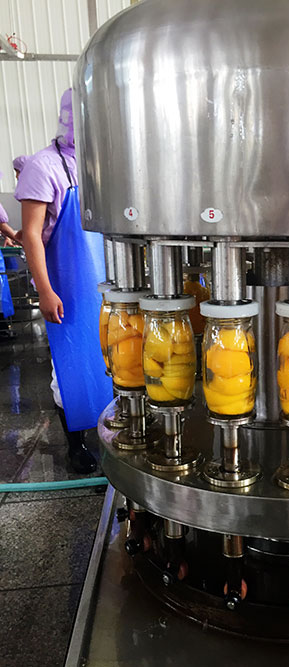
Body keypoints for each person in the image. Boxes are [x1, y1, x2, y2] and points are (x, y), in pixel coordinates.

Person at [15, 89, 98, 474]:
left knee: (111, 356)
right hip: (66, 282)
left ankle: (113, 429)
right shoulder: (44, 165)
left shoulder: (100, 163)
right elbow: (31, 235)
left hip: (103, 279)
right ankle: (75, 444)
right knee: (70, 364)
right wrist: (46, 291)